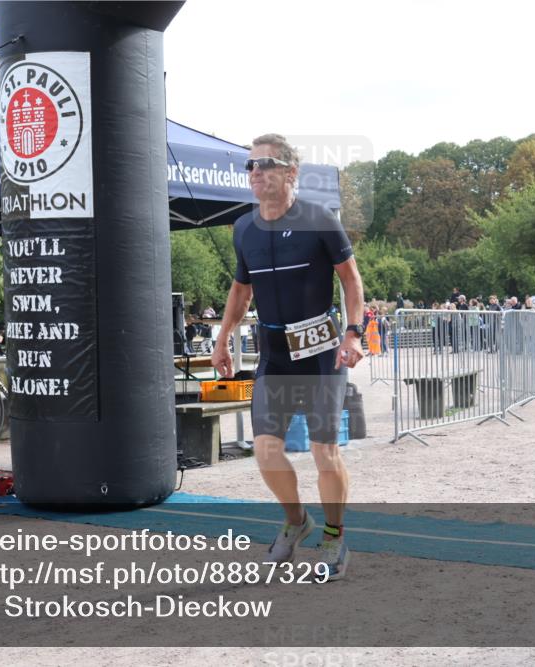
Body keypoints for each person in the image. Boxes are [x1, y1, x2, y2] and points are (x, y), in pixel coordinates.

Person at [210, 133, 363, 581]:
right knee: (265, 450)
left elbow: (351, 282)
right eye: (250, 166)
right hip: (275, 355)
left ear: (291, 172)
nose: (255, 173)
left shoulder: (319, 220)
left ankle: (334, 534)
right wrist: (222, 340)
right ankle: (297, 521)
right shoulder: (243, 229)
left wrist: (353, 334)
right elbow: (241, 289)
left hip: (319, 354)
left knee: (324, 451)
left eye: (266, 164)